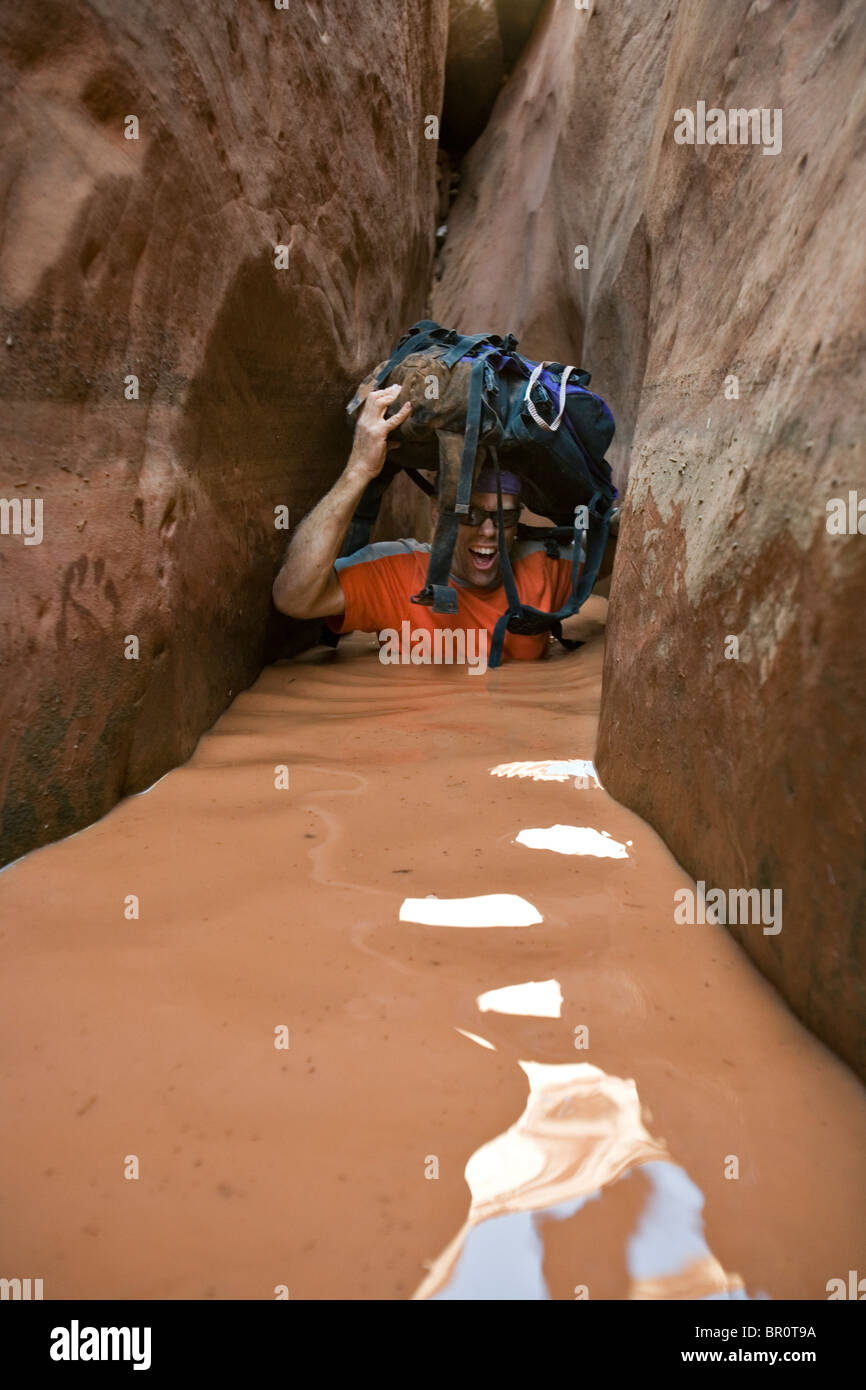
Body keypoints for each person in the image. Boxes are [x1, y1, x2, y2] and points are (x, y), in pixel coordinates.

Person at [272, 383, 581, 661]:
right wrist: (358, 471)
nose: (489, 531)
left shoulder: (546, 565)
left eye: (505, 517)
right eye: (469, 515)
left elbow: (615, 554)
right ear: (437, 512)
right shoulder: (393, 574)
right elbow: (294, 598)